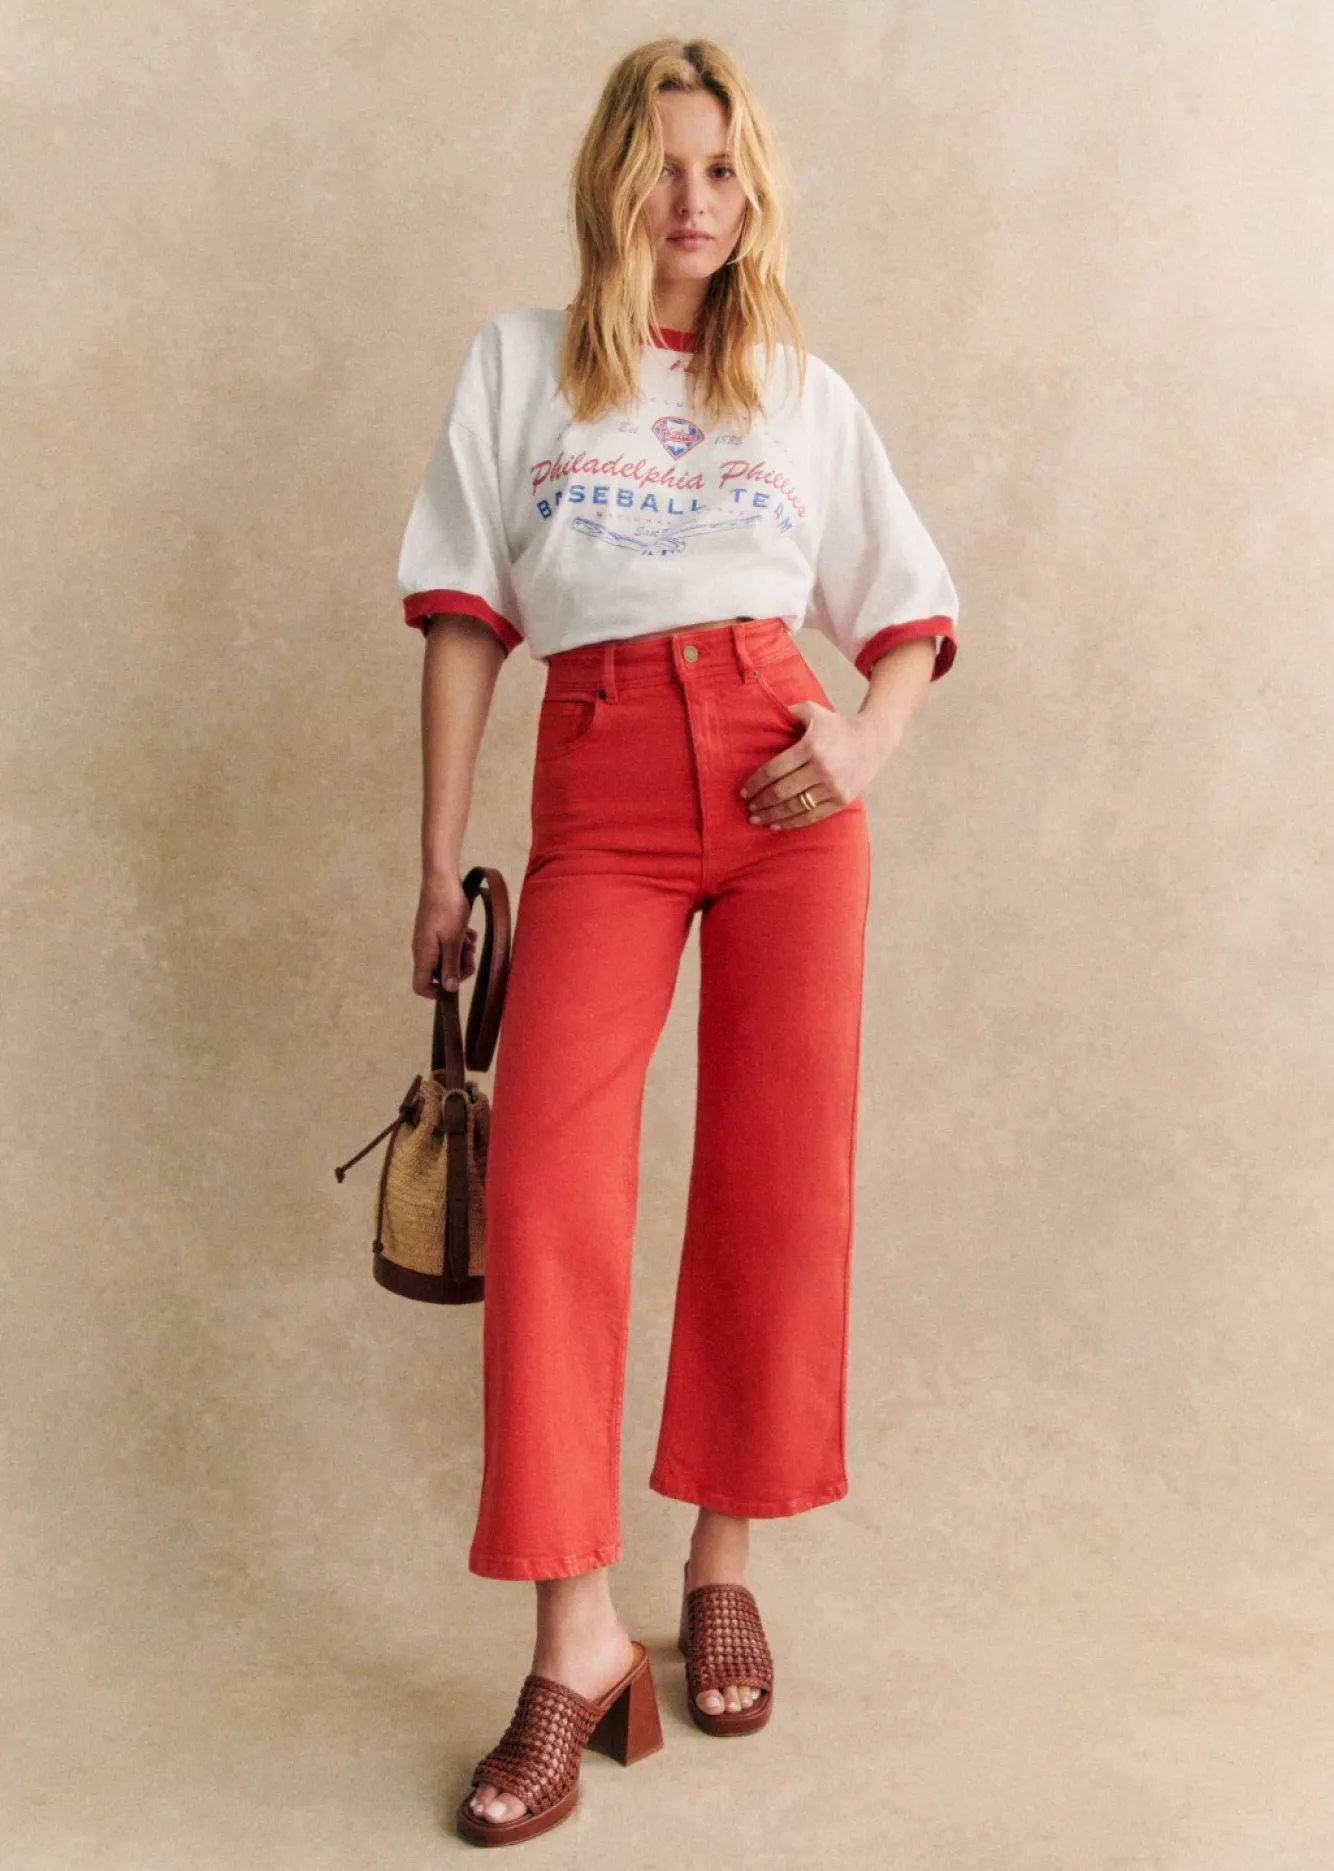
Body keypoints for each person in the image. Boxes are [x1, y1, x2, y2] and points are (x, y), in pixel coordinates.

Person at [396, 36, 959, 1848]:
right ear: (610, 181)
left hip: (785, 780)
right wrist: (437, 861)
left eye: (722, 170)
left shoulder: (795, 388)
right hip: (603, 777)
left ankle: (721, 1557)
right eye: (664, 166)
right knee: (553, 1189)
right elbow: (466, 619)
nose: (694, 201)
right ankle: (575, 1638)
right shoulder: (518, 364)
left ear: (752, 190)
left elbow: (907, 611)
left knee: (776, 1175)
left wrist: (860, 742)